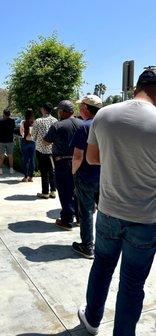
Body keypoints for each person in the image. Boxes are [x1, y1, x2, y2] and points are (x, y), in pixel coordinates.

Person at [78, 67, 156, 336]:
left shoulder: (105, 114)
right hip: (146, 218)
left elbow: (91, 158)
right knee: (132, 284)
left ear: (136, 86)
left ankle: (92, 319)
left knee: (102, 266)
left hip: (109, 210)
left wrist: (116, 159)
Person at [70, 95, 102, 259]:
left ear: (85, 108)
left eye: (81, 106)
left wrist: (73, 173)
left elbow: (77, 156)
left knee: (87, 211)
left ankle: (87, 246)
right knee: (105, 211)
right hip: (104, 176)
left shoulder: (84, 127)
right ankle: (103, 245)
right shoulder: (106, 126)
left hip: (86, 175)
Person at [44, 100, 82, 230]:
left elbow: (45, 142)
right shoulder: (82, 123)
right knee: (78, 190)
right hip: (80, 161)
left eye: (59, 110)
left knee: (65, 191)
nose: (58, 112)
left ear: (62, 111)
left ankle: (67, 221)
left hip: (63, 162)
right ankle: (81, 218)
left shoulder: (58, 126)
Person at [32, 102, 58, 198]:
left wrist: (35, 139)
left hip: (41, 150)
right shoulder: (55, 120)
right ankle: (53, 190)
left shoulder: (38, 121)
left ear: (44, 109)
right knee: (52, 170)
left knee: (44, 171)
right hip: (52, 150)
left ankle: (45, 192)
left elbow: (34, 136)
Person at [0, 109, 15, 175]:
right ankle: (11, 169)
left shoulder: (0, 121)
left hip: (1, 140)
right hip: (10, 140)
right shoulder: (12, 121)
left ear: (3, 114)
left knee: (1, 155)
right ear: (9, 114)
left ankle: (0, 169)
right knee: (10, 155)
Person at [20, 108, 36, 182]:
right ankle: (31, 177)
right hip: (32, 142)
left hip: (24, 141)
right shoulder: (34, 122)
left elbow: (21, 133)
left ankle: (25, 177)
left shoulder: (23, 122)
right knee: (32, 159)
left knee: (25, 159)